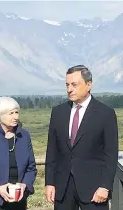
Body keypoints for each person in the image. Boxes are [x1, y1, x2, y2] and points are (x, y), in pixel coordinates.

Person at [45, 65, 118, 210]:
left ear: (88, 84)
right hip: (63, 188)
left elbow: (111, 154)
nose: (69, 89)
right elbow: (52, 151)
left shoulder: (106, 114)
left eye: (74, 84)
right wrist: (49, 182)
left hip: (94, 189)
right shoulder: (58, 112)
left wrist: (105, 186)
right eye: (67, 85)